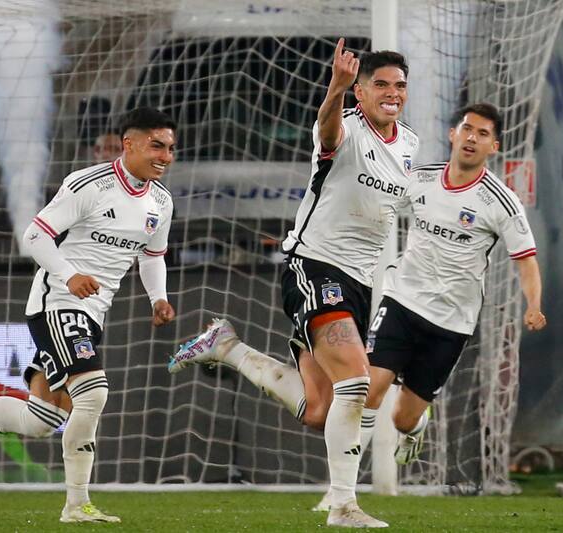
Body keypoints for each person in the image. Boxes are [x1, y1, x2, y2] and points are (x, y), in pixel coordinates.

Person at [169, 38, 417, 528]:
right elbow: (327, 131)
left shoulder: (408, 144)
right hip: (316, 267)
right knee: (356, 379)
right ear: (362, 92)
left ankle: (228, 348)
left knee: (320, 409)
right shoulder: (344, 125)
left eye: (400, 85)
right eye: (381, 84)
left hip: (361, 282)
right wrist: (335, 89)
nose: (392, 93)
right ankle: (343, 506)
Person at [0, 107, 177, 523]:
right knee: (94, 393)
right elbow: (35, 235)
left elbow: (152, 256)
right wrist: (69, 276)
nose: (165, 156)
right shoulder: (89, 184)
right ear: (129, 144)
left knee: (43, 418)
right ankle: (76, 505)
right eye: (157, 146)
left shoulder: (161, 201)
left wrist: (158, 297)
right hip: (57, 302)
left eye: (171, 148)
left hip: (93, 313)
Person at [358, 102, 546, 467]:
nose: (472, 138)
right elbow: (377, 203)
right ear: (452, 134)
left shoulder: (502, 202)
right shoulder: (420, 178)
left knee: (402, 418)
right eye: (467, 129)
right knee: (368, 389)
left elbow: (526, 262)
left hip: (451, 321)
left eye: (483, 134)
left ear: (494, 146)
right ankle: (343, 487)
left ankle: (415, 428)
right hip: (401, 301)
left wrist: (534, 305)